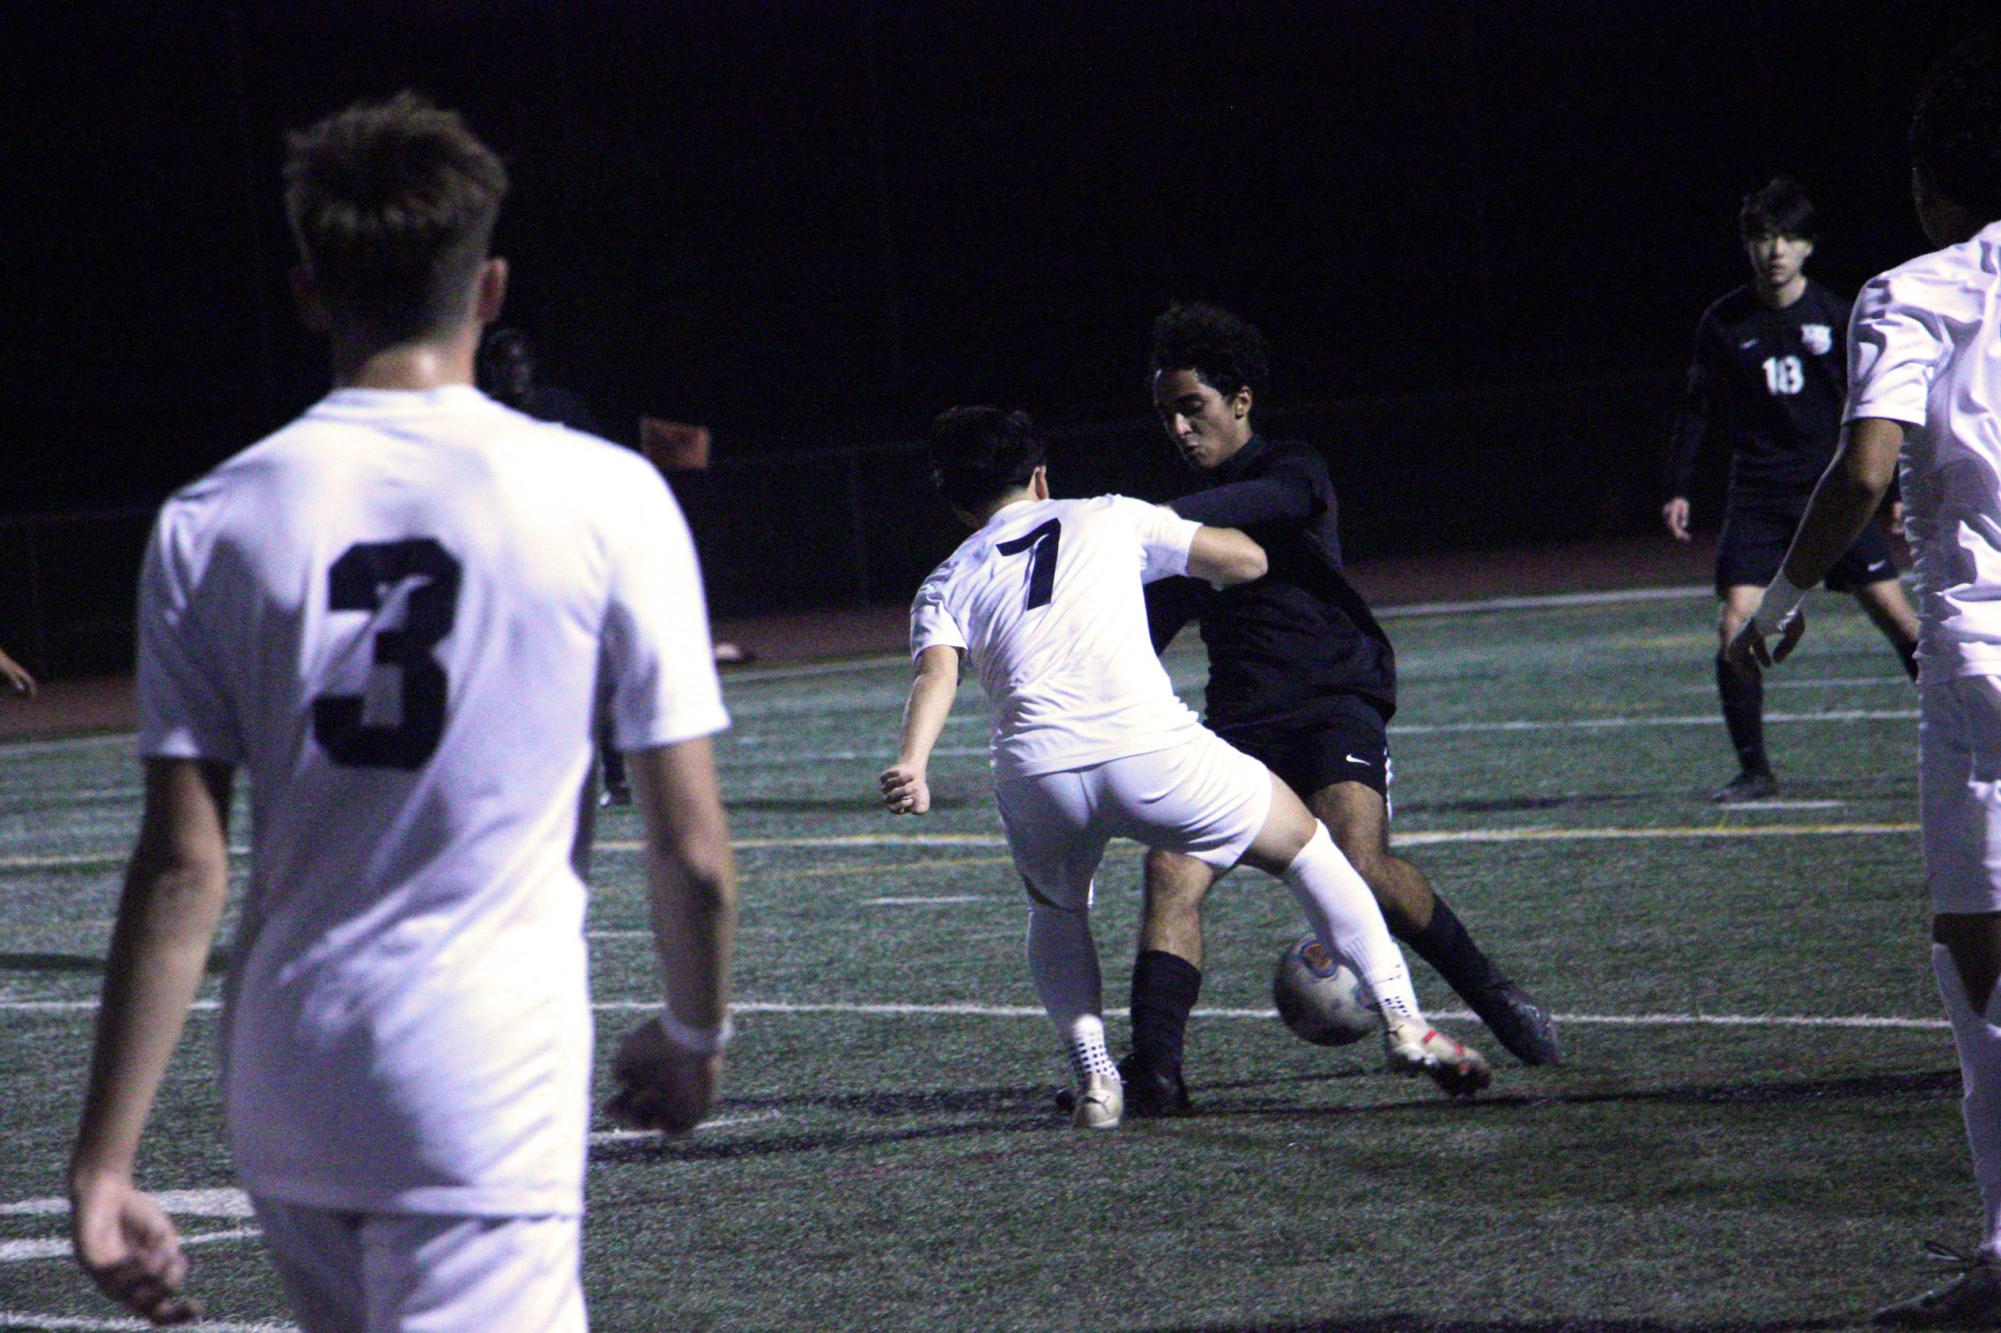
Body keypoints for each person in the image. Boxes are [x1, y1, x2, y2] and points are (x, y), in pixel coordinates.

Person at [66, 93, 737, 1330]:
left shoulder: (215, 517)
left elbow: (181, 868)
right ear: (488, 288)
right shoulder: (606, 496)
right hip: (479, 1072)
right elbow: (690, 848)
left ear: (311, 291)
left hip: (288, 1071)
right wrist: (693, 1031)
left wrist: (103, 1161)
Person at [880, 406, 1490, 1129]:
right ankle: (1402, 1019)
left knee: (1056, 910)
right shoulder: (1106, 515)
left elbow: (936, 677)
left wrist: (912, 762)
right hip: (1147, 752)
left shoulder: (944, 577)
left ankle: (1096, 1078)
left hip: (1036, 772)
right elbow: (1243, 560)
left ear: (955, 501)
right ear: (1040, 477)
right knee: (1308, 848)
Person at [1726, 31, 2001, 1327]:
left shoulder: (1912, 291)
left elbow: (1865, 470)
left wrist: (1781, 600)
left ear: (1927, 179)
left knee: (1979, 956)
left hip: (1983, 664)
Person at [1122, 303, 1558, 1116]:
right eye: (1166, 415)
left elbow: (1273, 501)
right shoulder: (1180, 527)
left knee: (1361, 867)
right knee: (1169, 867)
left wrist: (1142, 523)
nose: (1180, 429)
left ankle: (1490, 992)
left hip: (1331, 702)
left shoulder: (1290, 468)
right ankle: (1153, 1073)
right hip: (1238, 726)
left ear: (1240, 400)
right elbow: (1144, 631)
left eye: (1194, 408)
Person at [1665, 177, 1919, 804]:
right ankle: (1755, 770)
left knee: (1901, 623)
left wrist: (1895, 485)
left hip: (1832, 493)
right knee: (1734, 625)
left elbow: (1880, 410)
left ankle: (1968, 734)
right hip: (1756, 497)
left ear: (1807, 246)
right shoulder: (1724, 324)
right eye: (1761, 237)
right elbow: (1696, 409)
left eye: (1786, 236)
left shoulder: (1837, 315)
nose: (1773, 249)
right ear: (1748, 246)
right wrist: (1680, 486)